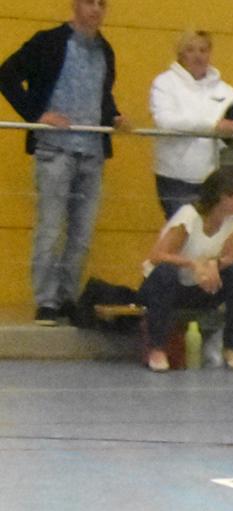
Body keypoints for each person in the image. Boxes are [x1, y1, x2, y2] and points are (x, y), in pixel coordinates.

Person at [2, 0, 126, 325]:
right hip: (55, 149)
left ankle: (67, 296)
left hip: (92, 152)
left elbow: (101, 96)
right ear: (75, 5)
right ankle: (46, 301)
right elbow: (7, 75)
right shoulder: (49, 42)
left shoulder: (105, 50)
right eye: (89, 2)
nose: (96, 9)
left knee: (81, 234)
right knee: (51, 227)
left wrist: (114, 116)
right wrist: (37, 115)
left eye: (102, 4)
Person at [139, 165, 233, 372]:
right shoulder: (189, 216)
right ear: (224, 197)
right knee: (166, 273)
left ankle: (232, 347)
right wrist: (194, 264)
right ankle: (157, 349)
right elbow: (157, 256)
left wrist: (214, 264)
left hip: (198, 287)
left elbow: (231, 256)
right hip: (164, 286)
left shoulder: (232, 220)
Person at [147, 30, 233, 218]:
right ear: (180, 54)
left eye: (203, 50)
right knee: (183, 230)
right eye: (191, 50)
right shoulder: (164, 83)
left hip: (213, 178)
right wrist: (213, 126)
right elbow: (165, 121)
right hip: (174, 177)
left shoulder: (226, 90)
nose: (198, 55)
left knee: (210, 232)